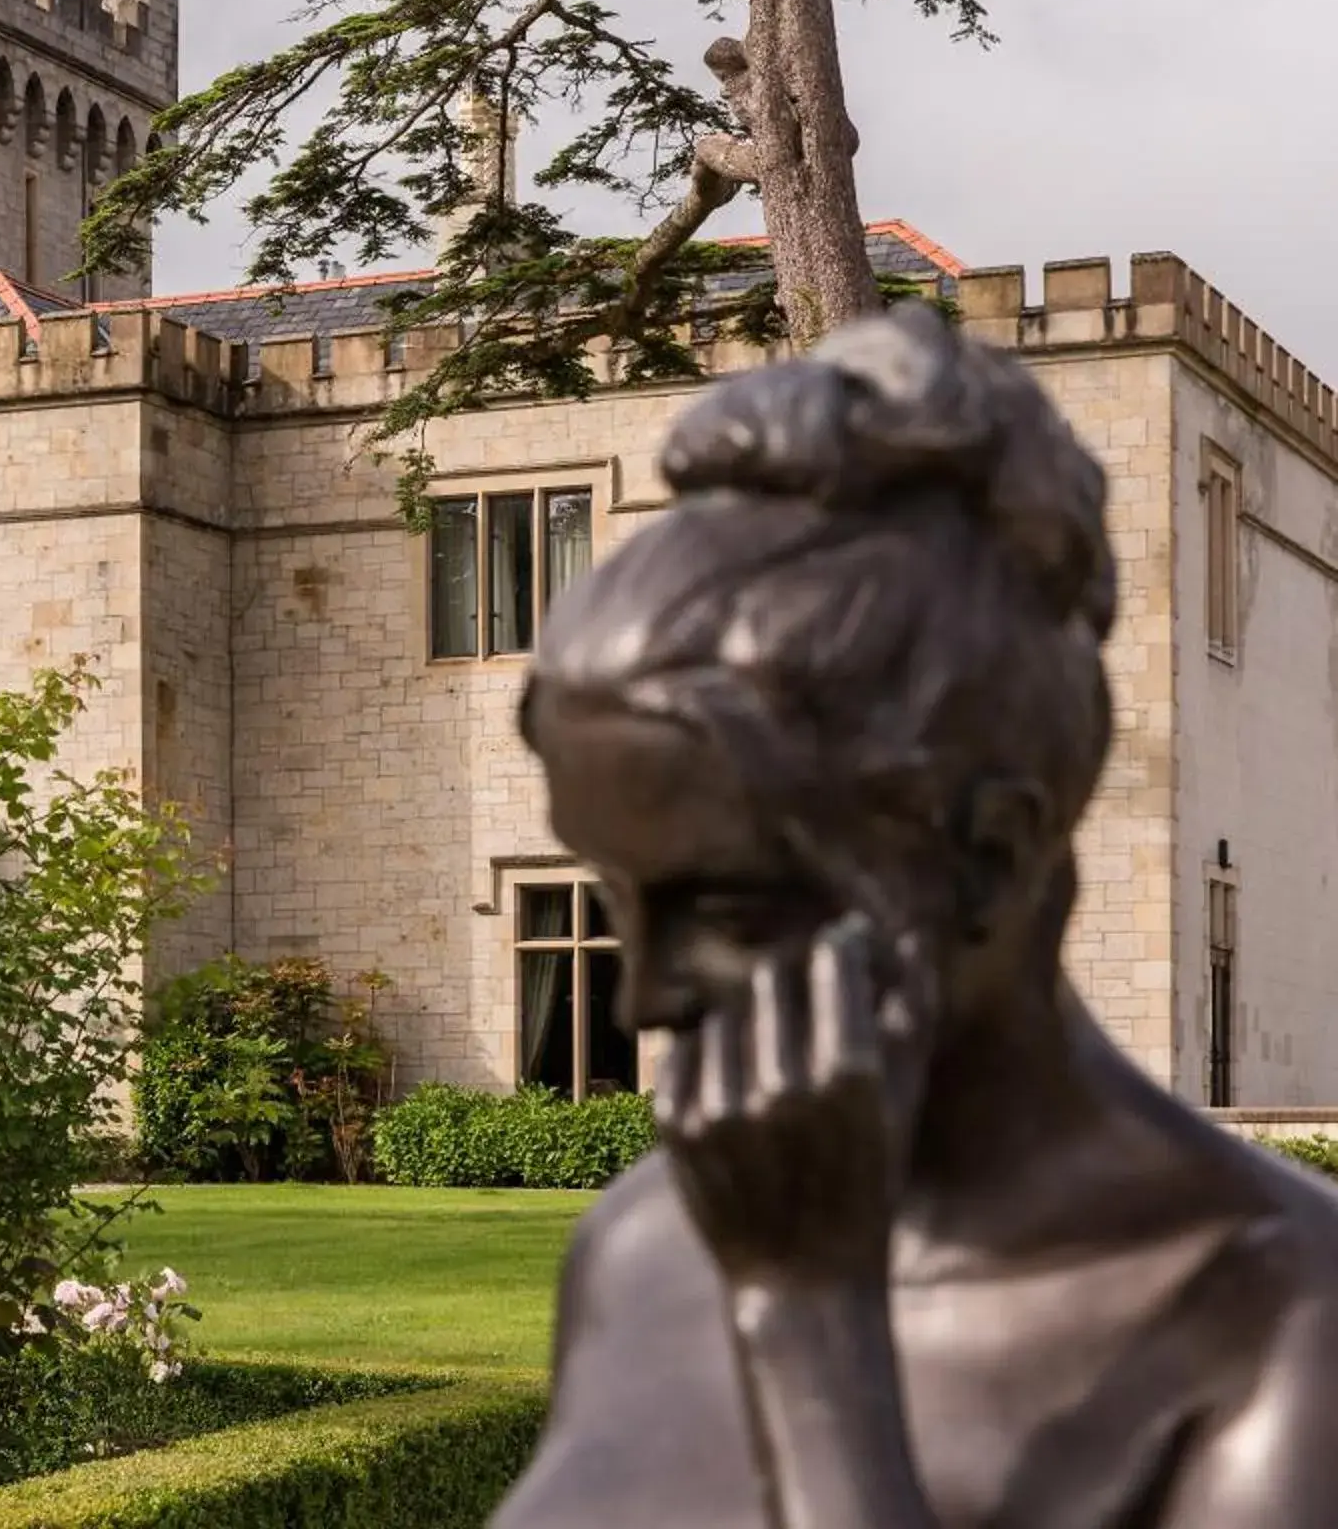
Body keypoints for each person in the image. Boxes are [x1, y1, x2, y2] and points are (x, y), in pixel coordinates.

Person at [496, 304, 1338, 1528]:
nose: (646, 999)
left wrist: (809, 1327)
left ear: (991, 858)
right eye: (614, 897)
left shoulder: (1282, 1325)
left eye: (724, 905)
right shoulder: (642, 1246)